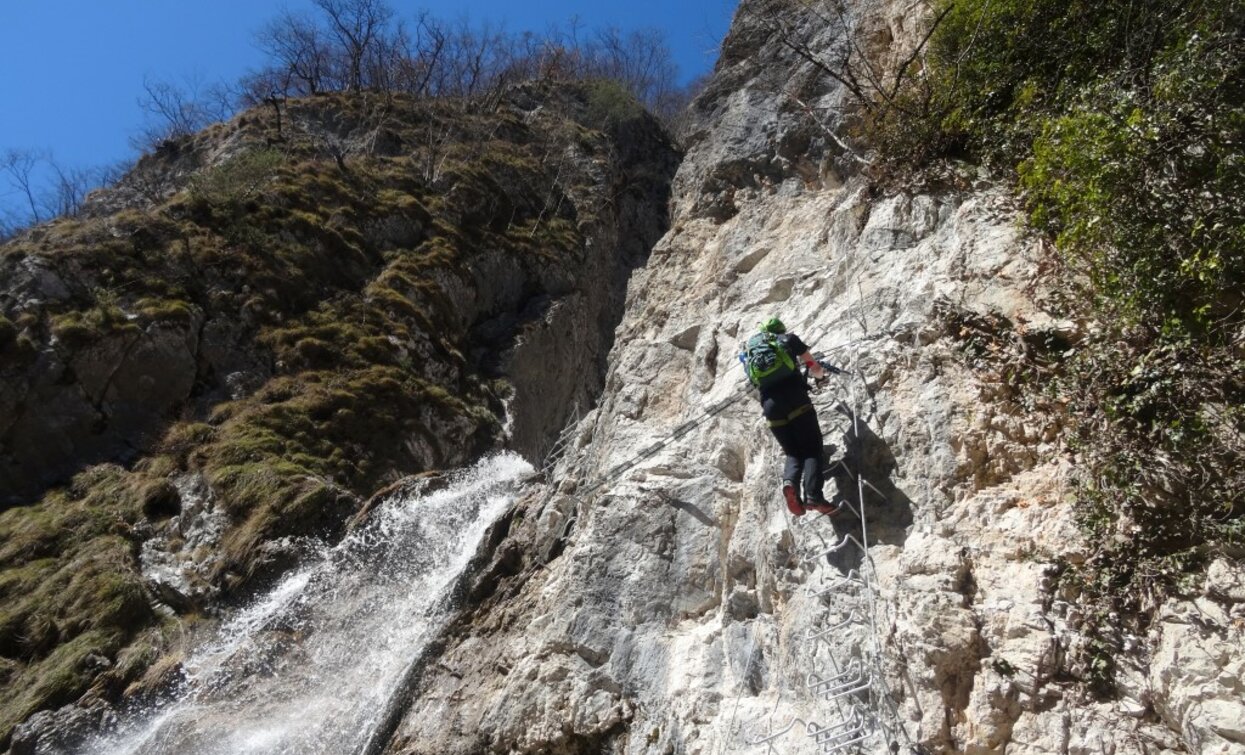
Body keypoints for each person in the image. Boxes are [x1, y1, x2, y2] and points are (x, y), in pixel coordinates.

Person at [740, 317, 838, 517]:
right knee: (811, 448)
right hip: (795, 399)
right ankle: (813, 497)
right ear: (780, 330)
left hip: (770, 406)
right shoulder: (789, 340)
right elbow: (814, 366)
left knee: (793, 452)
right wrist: (821, 379)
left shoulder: (750, 355)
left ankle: (790, 483)